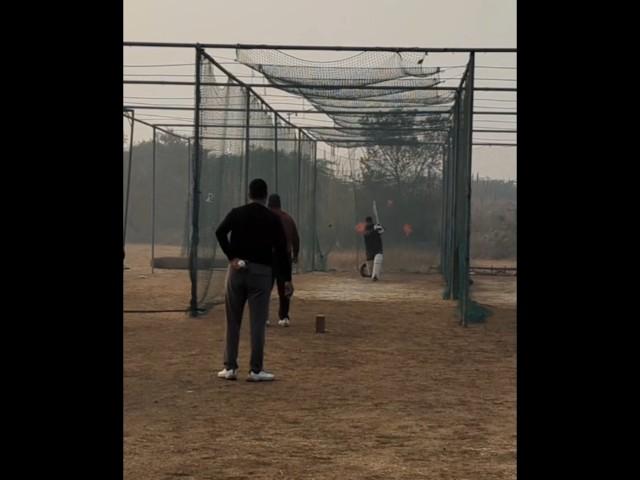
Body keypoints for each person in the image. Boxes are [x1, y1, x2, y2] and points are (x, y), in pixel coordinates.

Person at [214, 179, 293, 382]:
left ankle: (230, 368)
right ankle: (256, 370)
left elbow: (220, 232)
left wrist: (232, 257)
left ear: (249, 194)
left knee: (233, 320)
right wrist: (286, 279)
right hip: (262, 273)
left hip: (237, 270)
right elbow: (283, 250)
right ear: (265, 196)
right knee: (257, 323)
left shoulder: (237, 212)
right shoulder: (272, 218)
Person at [267, 193, 300, 327]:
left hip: (268, 257)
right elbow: (296, 239)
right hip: (284, 257)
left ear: (269, 204)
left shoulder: (265, 217)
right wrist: (295, 255)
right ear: (280, 204)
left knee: (264, 288)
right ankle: (284, 317)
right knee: (284, 287)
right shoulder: (288, 218)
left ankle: (264, 317)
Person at [360, 216, 384, 281]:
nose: (368, 223)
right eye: (367, 222)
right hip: (369, 249)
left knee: (378, 260)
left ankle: (376, 275)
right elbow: (367, 233)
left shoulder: (376, 226)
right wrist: (374, 229)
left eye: (369, 222)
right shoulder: (366, 229)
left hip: (377, 248)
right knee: (370, 265)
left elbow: (381, 231)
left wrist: (380, 228)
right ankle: (370, 274)